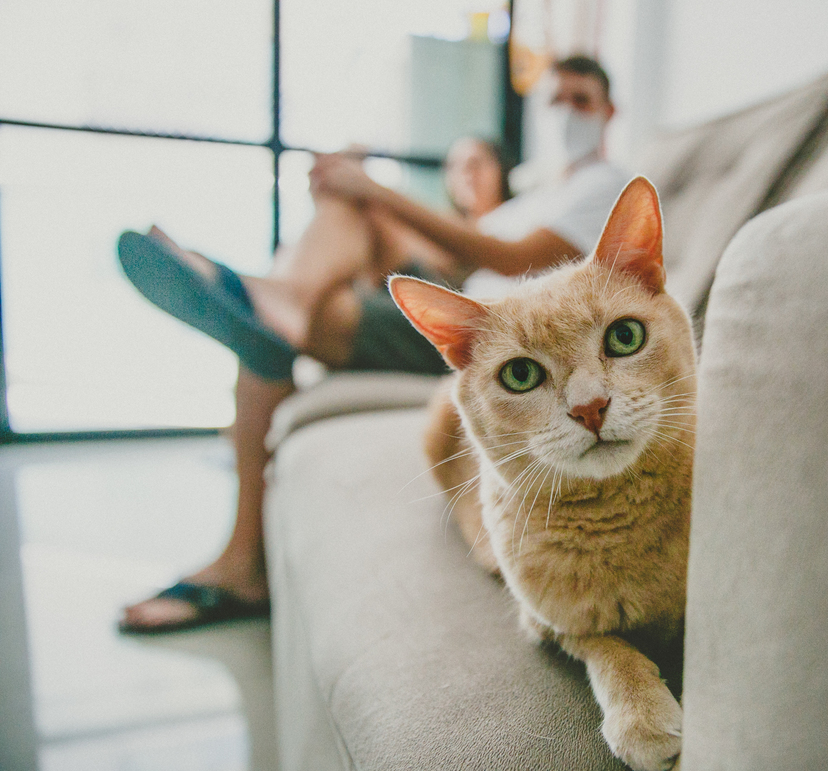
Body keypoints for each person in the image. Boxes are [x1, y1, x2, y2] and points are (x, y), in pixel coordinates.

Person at [117, 55, 631, 633]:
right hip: (463, 299)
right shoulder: (529, 197)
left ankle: (260, 297)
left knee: (285, 321)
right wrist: (354, 189)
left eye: (581, 101)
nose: (567, 113)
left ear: (610, 111)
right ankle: (277, 297)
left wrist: (376, 193)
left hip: (490, 338)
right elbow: (452, 254)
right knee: (332, 238)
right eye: (556, 100)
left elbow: (514, 261)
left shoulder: (604, 184)